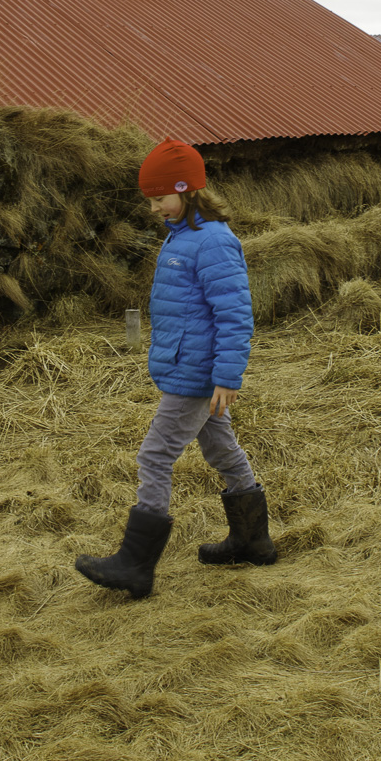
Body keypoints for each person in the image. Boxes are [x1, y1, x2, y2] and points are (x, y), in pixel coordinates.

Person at [74, 137, 277, 599]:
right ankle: (252, 539)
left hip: (197, 374)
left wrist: (227, 376)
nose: (153, 208)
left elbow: (235, 313)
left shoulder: (213, 241)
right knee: (222, 450)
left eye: (160, 198)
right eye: (150, 200)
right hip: (189, 366)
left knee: (154, 455)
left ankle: (136, 564)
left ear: (186, 191)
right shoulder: (183, 235)